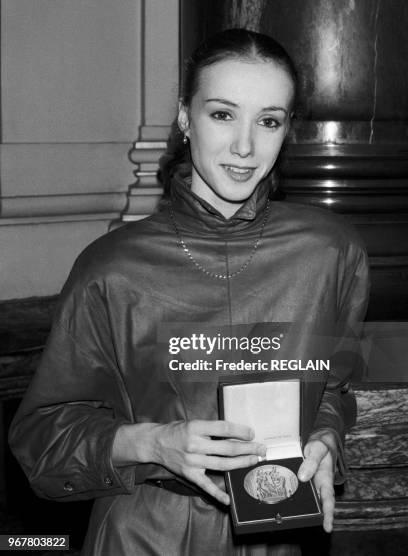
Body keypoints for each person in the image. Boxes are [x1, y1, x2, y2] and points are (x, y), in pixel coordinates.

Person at [9, 28, 369, 555]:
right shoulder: (113, 266)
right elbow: (41, 437)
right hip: (145, 532)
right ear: (184, 117)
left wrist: (325, 438)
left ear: (287, 129)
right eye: (222, 114)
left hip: (281, 531)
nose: (245, 146)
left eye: (268, 120)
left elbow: (333, 388)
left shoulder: (329, 253)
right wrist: (154, 442)